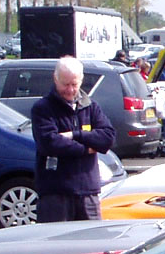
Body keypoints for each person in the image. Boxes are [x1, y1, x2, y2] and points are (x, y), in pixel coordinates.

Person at [30, 57, 117, 222]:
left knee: (90, 244)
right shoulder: (43, 108)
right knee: (56, 245)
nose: (70, 90)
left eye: (74, 84)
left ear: (81, 81)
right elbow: (49, 143)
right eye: (65, 84)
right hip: (56, 193)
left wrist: (75, 135)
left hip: (88, 192)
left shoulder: (90, 107)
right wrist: (87, 149)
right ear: (55, 79)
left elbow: (108, 137)